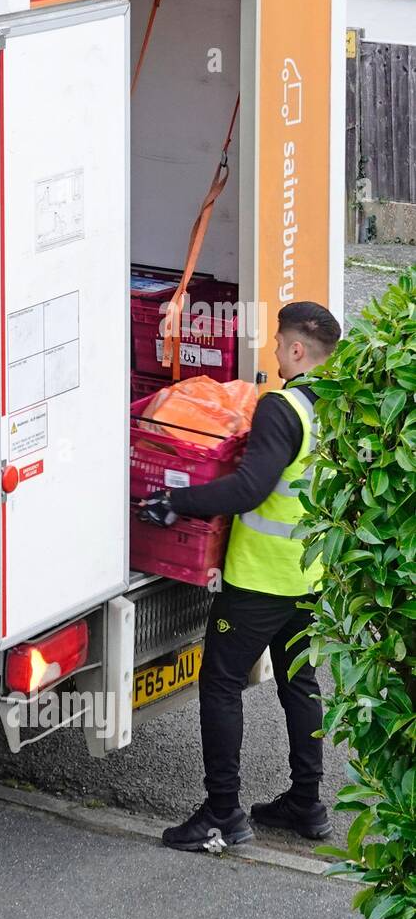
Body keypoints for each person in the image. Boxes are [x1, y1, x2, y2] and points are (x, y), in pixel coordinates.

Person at [139, 301, 342, 851]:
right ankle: (307, 803)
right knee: (299, 684)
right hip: (309, 575)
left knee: (222, 685)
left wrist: (176, 501)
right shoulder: (342, 404)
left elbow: (250, 488)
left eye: (279, 342)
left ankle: (222, 813)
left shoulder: (282, 408)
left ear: (298, 349)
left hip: (258, 582)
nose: (274, 351)